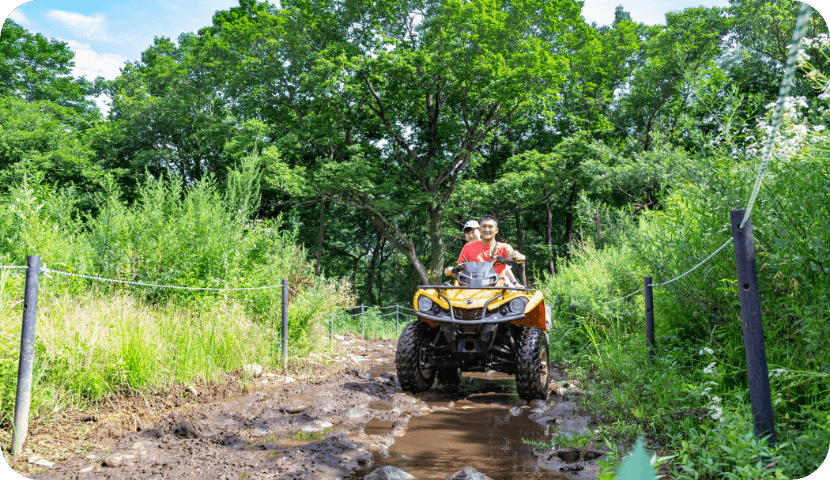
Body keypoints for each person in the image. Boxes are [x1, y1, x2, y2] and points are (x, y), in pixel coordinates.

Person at [450, 214, 525, 285]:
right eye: (484, 226)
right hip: (472, 287)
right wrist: (452, 270)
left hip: (498, 289)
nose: (487, 229)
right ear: (479, 229)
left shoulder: (503, 247)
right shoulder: (468, 247)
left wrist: (517, 255)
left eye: (490, 227)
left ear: (496, 230)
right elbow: (460, 267)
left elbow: (511, 252)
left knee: (519, 298)